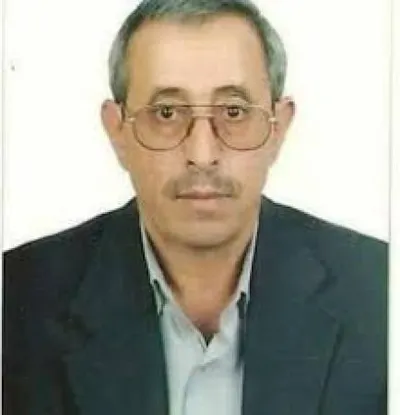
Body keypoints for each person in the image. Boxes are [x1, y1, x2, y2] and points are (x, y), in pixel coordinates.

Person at [3, 0, 387, 414]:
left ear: (278, 129)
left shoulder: (382, 292)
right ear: (117, 131)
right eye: (166, 112)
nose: (202, 155)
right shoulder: (17, 299)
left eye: (234, 112)